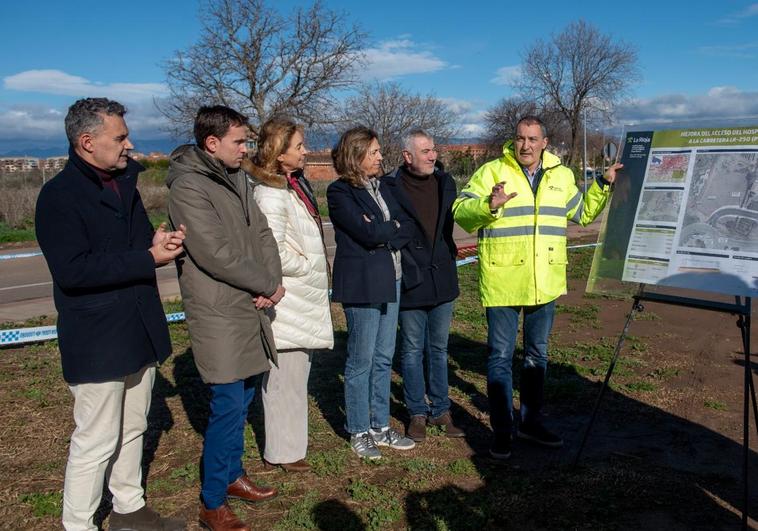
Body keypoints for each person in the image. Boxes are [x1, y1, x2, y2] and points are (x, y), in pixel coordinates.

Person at [35, 97, 186, 531]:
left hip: (138, 327)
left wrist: (160, 244)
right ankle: (78, 525)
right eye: (119, 137)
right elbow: (73, 270)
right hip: (97, 337)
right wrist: (149, 259)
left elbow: (138, 248)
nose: (129, 144)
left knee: (134, 425)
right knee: (95, 440)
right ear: (87, 142)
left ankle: (129, 510)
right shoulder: (58, 197)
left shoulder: (125, 184)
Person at [452, 115, 622, 459]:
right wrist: (488, 205)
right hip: (503, 281)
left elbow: (582, 213)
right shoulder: (491, 172)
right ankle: (502, 431)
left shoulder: (562, 175)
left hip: (544, 282)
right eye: (520, 138)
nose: (525, 145)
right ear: (513, 141)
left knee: (536, 357)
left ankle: (530, 423)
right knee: (500, 358)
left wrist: (603, 184)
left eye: (532, 139)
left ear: (545, 142)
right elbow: (461, 211)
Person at [167, 105, 283, 530]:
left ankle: (233, 475)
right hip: (220, 308)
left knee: (246, 395)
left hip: (251, 304)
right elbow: (213, 252)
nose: (246, 148)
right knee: (228, 406)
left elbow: (262, 232)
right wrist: (263, 284)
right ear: (211, 143)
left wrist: (270, 280)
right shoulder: (188, 186)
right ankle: (212, 500)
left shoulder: (237, 177)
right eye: (239, 141)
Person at [242, 117, 333, 473]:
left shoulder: (291, 187)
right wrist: (307, 262)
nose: (305, 151)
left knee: (296, 376)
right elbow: (272, 253)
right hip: (288, 301)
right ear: (280, 154)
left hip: (299, 299)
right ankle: (282, 451)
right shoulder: (270, 194)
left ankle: (292, 446)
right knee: (283, 380)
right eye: (299, 146)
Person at [327, 126, 414, 459]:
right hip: (362, 284)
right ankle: (359, 430)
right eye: (375, 152)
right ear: (356, 155)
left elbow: (405, 224)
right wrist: (386, 229)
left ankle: (380, 425)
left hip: (391, 279)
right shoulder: (339, 192)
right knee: (360, 361)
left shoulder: (384, 187)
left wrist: (385, 230)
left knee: (382, 358)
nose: (381, 156)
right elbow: (365, 232)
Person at [381, 130, 463, 442]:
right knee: (413, 349)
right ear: (407, 156)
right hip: (412, 280)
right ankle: (417, 412)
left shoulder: (446, 182)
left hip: (442, 278)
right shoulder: (390, 187)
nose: (432, 156)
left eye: (433, 150)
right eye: (426, 151)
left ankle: (441, 410)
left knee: (439, 348)